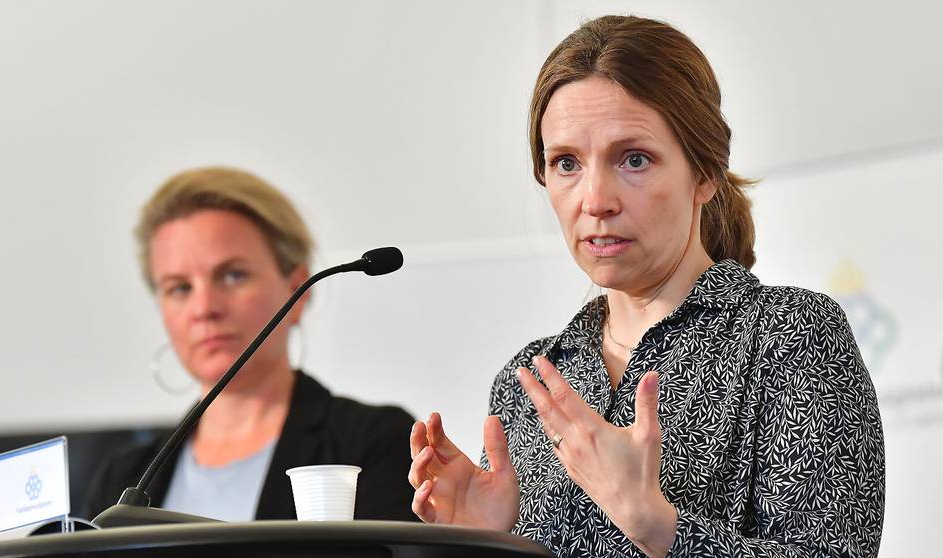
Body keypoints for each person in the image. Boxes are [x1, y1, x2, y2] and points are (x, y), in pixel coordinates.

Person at [408, 15, 884, 558]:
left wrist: (655, 524)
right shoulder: (528, 381)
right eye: (566, 163)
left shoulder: (790, 334)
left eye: (633, 159)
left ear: (704, 173)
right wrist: (486, 545)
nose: (595, 200)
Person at [84, 166, 416, 522]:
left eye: (233, 275)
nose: (204, 308)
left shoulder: (373, 444)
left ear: (297, 290)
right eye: (180, 288)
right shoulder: (121, 480)